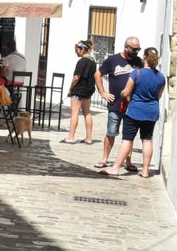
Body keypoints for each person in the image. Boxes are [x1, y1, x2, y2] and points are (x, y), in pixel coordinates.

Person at [103, 47, 166, 179]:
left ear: (145, 58)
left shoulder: (136, 73)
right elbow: (158, 96)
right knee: (147, 139)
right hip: (151, 112)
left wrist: (123, 94)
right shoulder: (161, 77)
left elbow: (126, 92)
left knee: (127, 139)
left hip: (135, 111)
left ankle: (115, 168)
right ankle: (145, 171)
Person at [95, 37, 145, 172]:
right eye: (134, 49)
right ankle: (104, 159)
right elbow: (98, 74)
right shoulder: (113, 60)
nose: (136, 52)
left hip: (132, 105)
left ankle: (128, 161)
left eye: (138, 49)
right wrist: (103, 92)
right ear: (126, 47)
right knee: (111, 132)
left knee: (129, 135)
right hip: (115, 104)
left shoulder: (139, 62)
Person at [63, 40, 100, 145]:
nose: (76, 52)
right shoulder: (93, 62)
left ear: (83, 50)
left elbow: (76, 77)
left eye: (77, 50)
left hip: (78, 91)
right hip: (88, 91)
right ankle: (88, 138)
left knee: (74, 113)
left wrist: (70, 89)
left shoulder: (81, 62)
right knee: (87, 113)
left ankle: (70, 137)